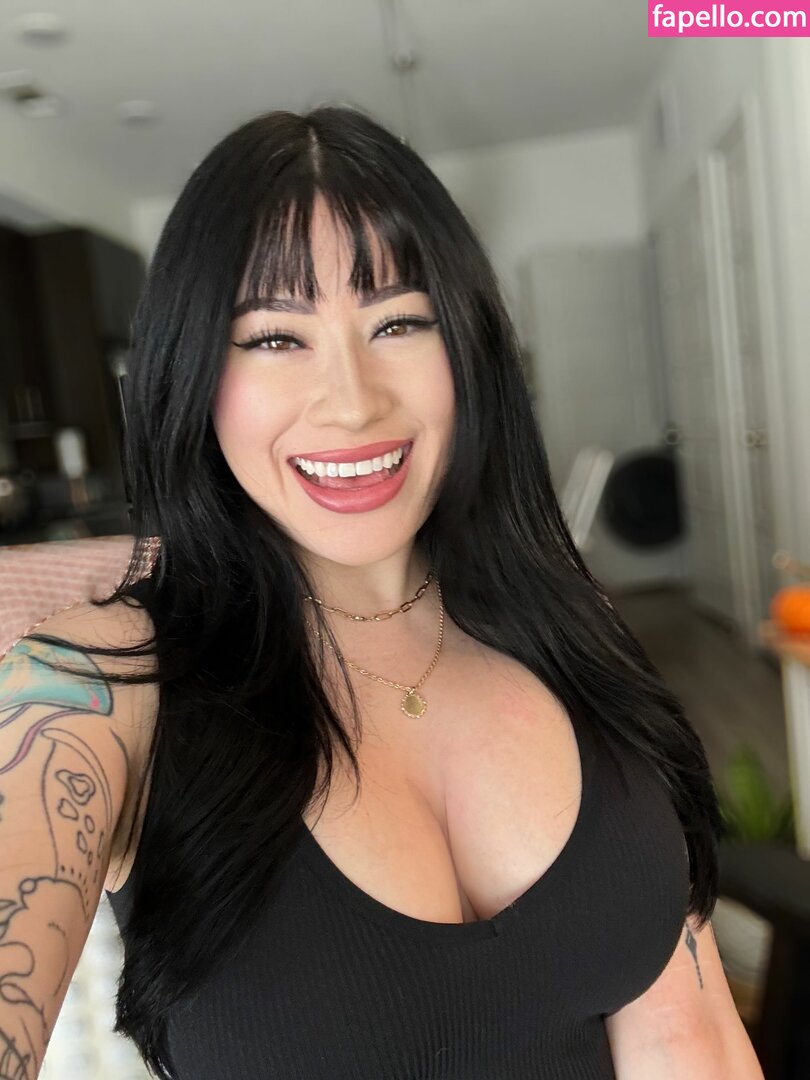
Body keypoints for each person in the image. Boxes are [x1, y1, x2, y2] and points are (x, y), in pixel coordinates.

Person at [0, 106, 765, 1080]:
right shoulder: (97, 686)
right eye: (274, 338)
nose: (355, 401)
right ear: (188, 373)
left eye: (400, 322)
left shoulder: (571, 630)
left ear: (470, 351)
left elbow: (686, 1034)